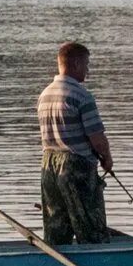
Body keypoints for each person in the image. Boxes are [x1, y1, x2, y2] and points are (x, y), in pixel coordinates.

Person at [37, 41, 115, 244]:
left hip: (49, 168)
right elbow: (97, 139)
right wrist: (107, 160)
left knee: (56, 230)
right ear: (76, 64)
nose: (87, 70)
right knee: (91, 228)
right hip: (76, 166)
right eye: (86, 65)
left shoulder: (45, 94)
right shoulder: (82, 96)